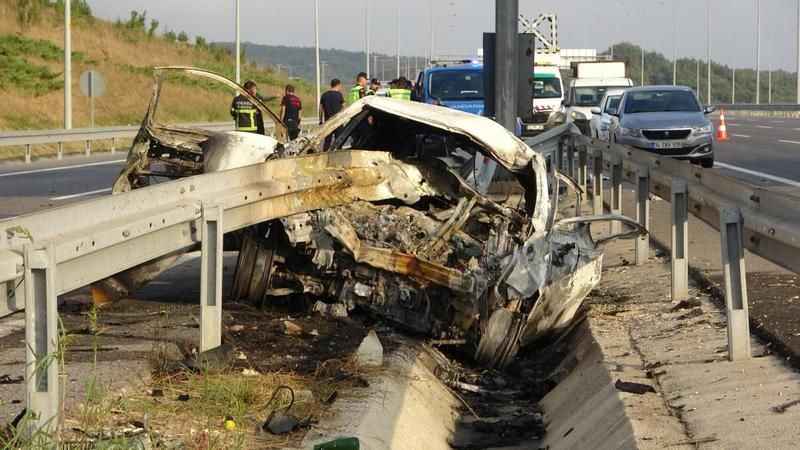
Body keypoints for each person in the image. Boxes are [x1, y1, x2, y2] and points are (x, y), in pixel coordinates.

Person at [320, 78, 345, 150]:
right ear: (338, 85)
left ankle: (325, 154)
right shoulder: (339, 95)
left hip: (328, 121)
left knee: (327, 141)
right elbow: (343, 107)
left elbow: (321, 109)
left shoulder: (324, 95)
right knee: (339, 141)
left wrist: (320, 120)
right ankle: (338, 155)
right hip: (338, 121)